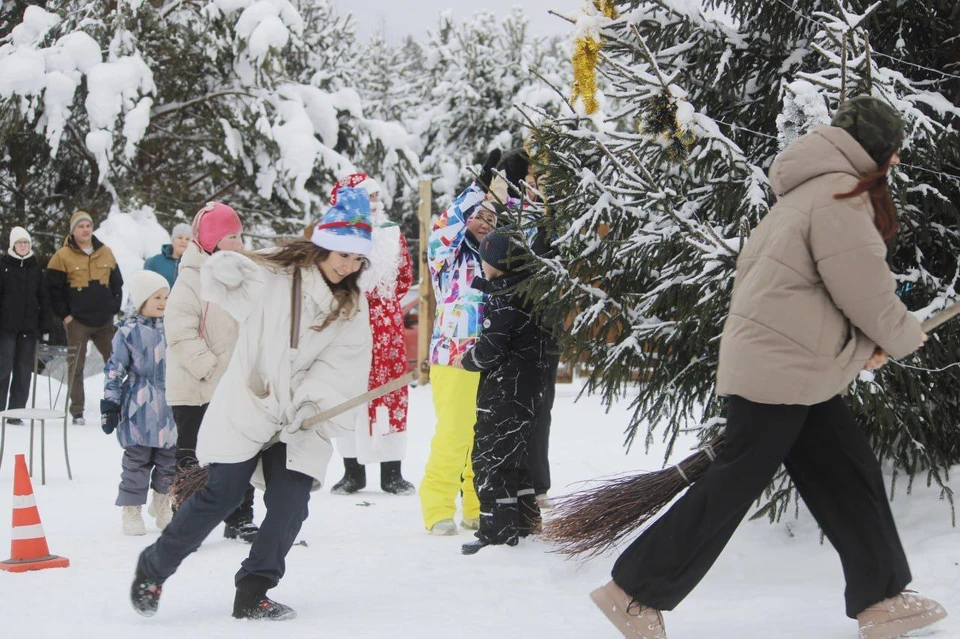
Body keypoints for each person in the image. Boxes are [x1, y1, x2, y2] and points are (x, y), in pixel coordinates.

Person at [589, 96, 948, 639]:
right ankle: (634, 594)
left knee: (847, 473)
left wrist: (866, 344)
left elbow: (812, 295)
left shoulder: (809, 192)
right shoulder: (837, 196)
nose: (896, 161)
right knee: (735, 484)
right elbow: (864, 290)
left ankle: (882, 599)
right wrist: (902, 335)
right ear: (876, 148)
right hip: (783, 371)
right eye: (893, 150)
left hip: (792, 369)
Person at [131, 187, 373, 621]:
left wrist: (311, 404)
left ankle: (253, 589)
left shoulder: (352, 306)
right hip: (251, 400)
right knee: (221, 494)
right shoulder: (279, 273)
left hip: (301, 416)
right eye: (343, 254)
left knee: (291, 502)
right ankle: (153, 568)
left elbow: (344, 364)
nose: (348, 266)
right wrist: (227, 272)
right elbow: (233, 287)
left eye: (358, 259)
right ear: (323, 244)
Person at [454, 228, 552, 555]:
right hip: (529, 392)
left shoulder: (504, 299)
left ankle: (496, 533)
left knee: (491, 460)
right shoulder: (529, 293)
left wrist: (466, 360)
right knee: (516, 460)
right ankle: (525, 524)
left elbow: (491, 351)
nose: (482, 265)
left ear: (497, 263)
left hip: (504, 393)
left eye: (484, 259)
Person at [164, 202, 259, 542]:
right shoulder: (191, 278)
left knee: (241, 450)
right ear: (211, 240)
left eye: (240, 236)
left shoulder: (242, 276)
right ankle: (185, 520)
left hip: (234, 384)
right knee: (194, 456)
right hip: (195, 387)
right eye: (231, 236)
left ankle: (240, 516)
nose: (238, 243)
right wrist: (211, 368)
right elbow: (179, 332)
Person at [419, 158, 501, 536]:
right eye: (478, 216)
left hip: (488, 357)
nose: (484, 223)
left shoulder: (496, 260)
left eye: (491, 219)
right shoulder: (447, 255)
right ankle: (437, 506)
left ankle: (474, 505)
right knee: (454, 432)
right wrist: (477, 191)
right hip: (453, 357)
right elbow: (445, 226)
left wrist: (508, 194)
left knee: (481, 434)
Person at [328, 173, 416, 495]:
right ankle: (353, 471)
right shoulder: (337, 236)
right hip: (349, 321)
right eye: (369, 197)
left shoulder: (392, 234)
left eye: (378, 196)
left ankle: (392, 472)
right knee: (349, 391)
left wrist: (384, 304)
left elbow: (404, 276)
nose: (375, 203)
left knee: (390, 393)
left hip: (386, 328)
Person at [492, 148, 561, 507]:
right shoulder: (504, 218)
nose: (535, 188)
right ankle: (509, 480)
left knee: (541, 405)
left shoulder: (555, 223)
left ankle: (538, 484)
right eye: (531, 181)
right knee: (509, 405)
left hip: (544, 325)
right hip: (509, 324)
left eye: (541, 182)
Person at [101, 271, 177, 536]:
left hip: (170, 407)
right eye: (157, 297)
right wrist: (110, 404)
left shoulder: (175, 328)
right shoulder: (127, 332)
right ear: (143, 299)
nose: (163, 302)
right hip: (137, 407)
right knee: (136, 461)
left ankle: (163, 503)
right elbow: (115, 369)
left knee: (169, 461)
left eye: (166, 297)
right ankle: (131, 509)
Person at [46, 210, 123, 425]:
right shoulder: (62, 256)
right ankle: (77, 411)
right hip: (77, 322)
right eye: (81, 226)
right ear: (73, 230)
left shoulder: (106, 252)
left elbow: (117, 283)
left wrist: (113, 308)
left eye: (88, 225)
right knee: (76, 367)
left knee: (115, 364)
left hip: (104, 322)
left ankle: (117, 406)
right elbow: (53, 289)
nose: (85, 229)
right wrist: (66, 316)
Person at [0, 227, 53, 424]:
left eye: (26, 243)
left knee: (23, 372)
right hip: (6, 328)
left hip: (28, 329)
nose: (23, 246)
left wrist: (45, 327)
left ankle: (16, 413)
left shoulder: (35, 269)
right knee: (3, 368)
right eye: (19, 242)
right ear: (12, 245)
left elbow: (44, 299)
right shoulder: (3, 266)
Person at [144, 223, 192, 288]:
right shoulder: (154, 262)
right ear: (173, 240)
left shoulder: (194, 265)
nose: (183, 241)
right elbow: (143, 286)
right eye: (180, 237)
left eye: (187, 239)